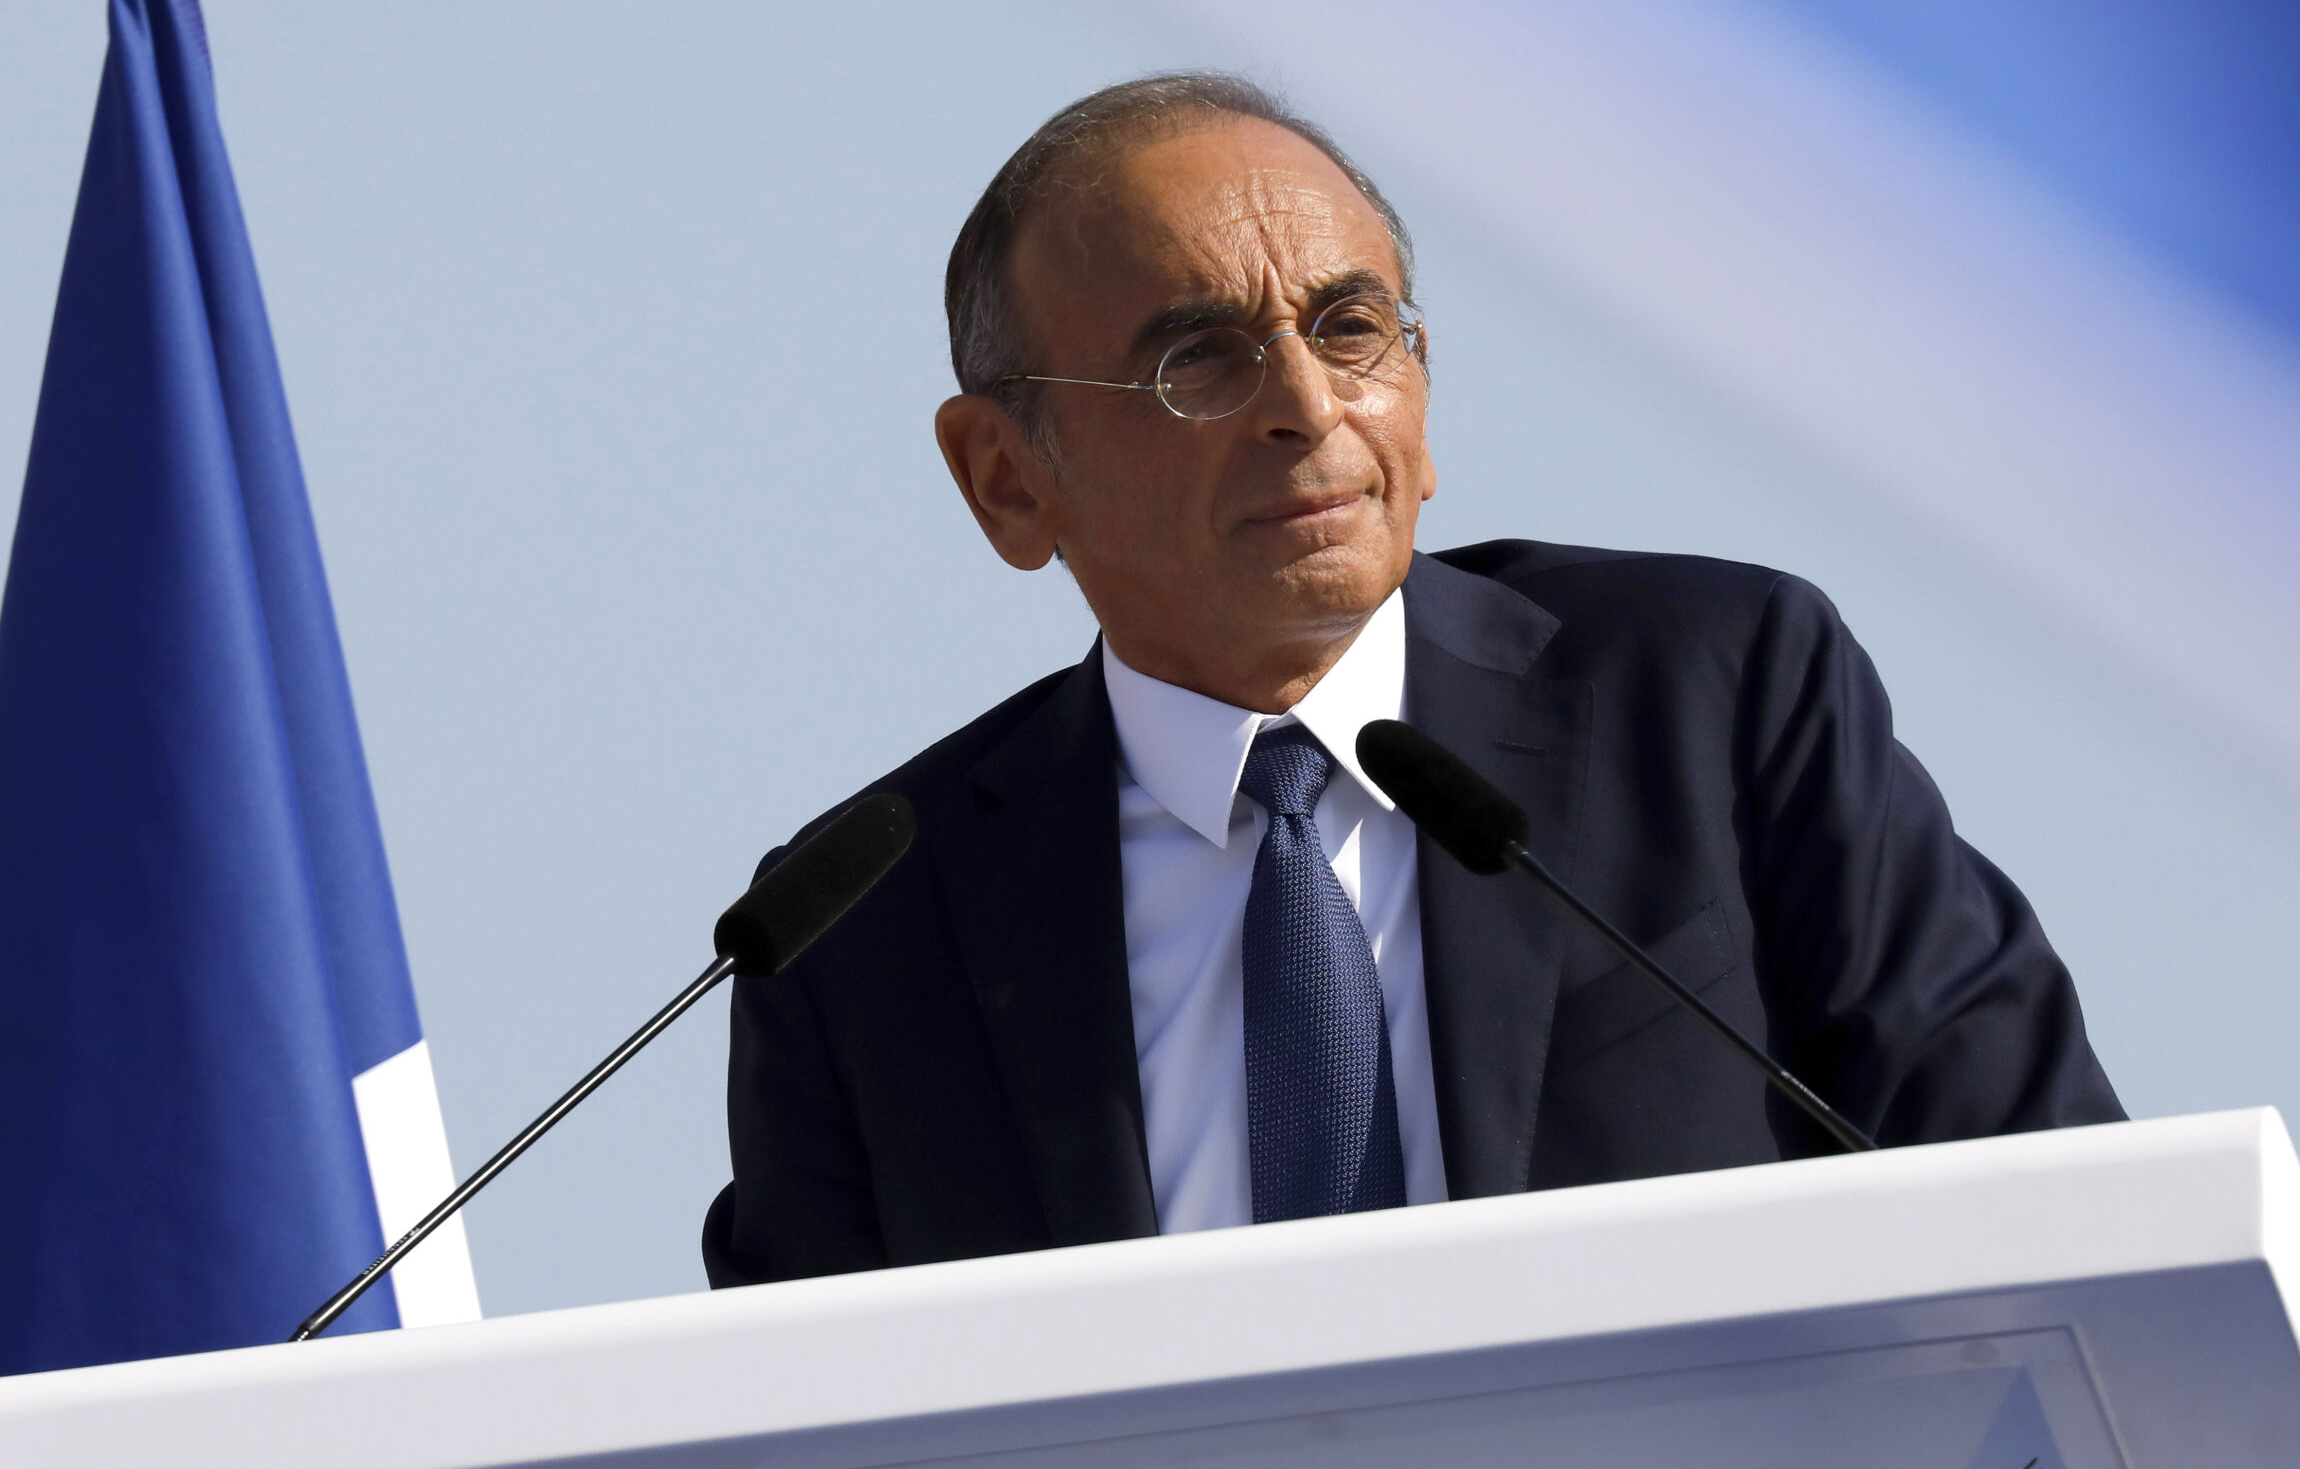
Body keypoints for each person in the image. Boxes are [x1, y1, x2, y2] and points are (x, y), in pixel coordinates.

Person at [701, 73, 2120, 1285]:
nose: (1309, 408)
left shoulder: (1711, 695)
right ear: (1006, 479)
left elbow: (2059, 1208)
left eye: (1349, 327)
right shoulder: (862, 933)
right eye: (1199, 360)